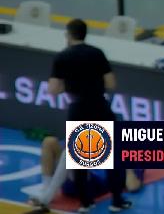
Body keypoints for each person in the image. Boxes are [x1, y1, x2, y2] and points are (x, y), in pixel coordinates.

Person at [48, 19, 132, 213]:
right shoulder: (97, 53)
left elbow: (53, 89)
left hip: (78, 108)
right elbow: (111, 83)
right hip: (99, 106)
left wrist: (70, 84)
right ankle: (116, 201)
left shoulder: (62, 57)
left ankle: (86, 203)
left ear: (69, 34)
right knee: (112, 156)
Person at [29, 137, 144, 211]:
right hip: (71, 176)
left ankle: (45, 198)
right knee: (49, 142)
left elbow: (133, 186)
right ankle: (45, 189)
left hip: (91, 186)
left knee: (70, 154)